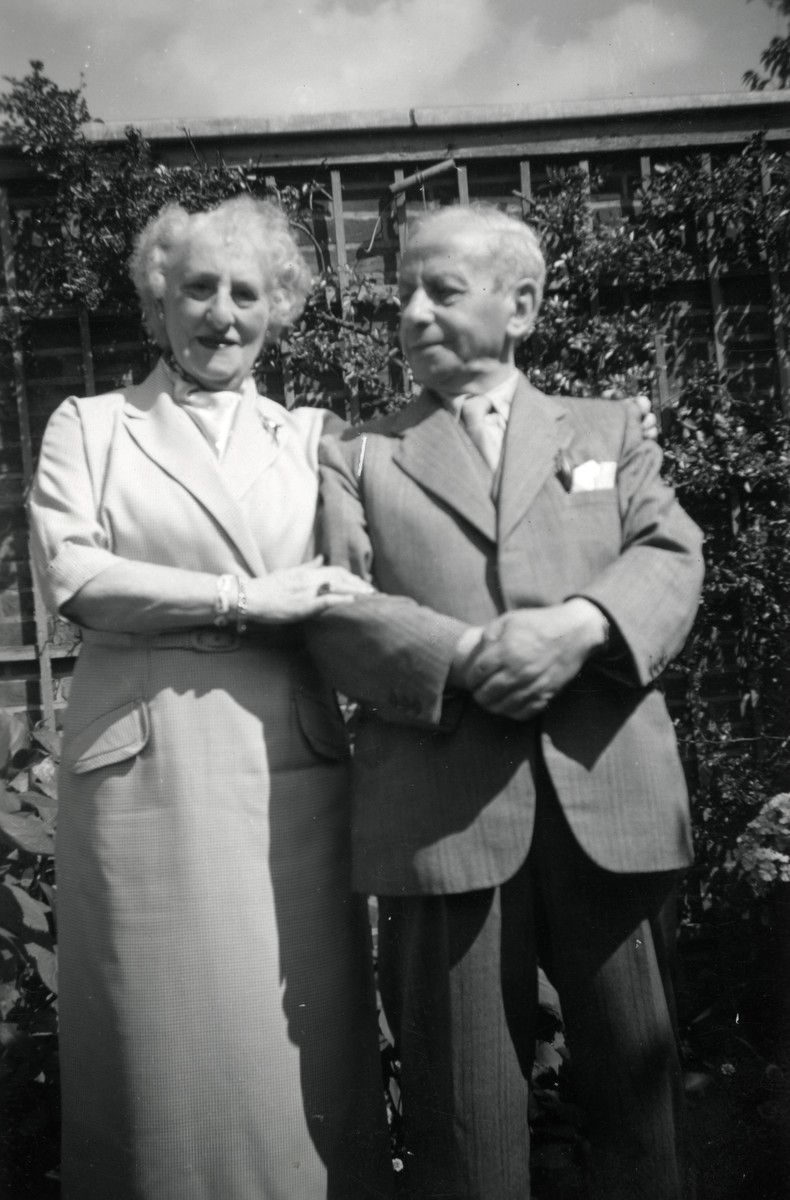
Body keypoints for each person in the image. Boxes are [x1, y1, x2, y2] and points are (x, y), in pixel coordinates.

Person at [308, 203, 705, 1200]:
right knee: (463, 1122)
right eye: (402, 291)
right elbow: (336, 606)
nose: (410, 310)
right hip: (444, 817)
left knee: (639, 1108)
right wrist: (464, 654)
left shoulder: (608, 428)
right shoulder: (358, 453)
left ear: (520, 304)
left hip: (607, 801)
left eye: (439, 290)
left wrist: (577, 626)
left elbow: (670, 552)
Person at [27, 195, 393, 1200]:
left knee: (297, 1033)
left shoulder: (317, 437)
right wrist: (242, 595)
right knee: (160, 1035)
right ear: (155, 307)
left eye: (245, 291)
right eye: (197, 288)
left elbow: (365, 583)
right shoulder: (91, 427)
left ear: (277, 308)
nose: (221, 312)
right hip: (145, 770)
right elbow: (79, 580)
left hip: (287, 768)